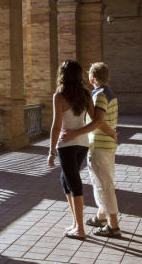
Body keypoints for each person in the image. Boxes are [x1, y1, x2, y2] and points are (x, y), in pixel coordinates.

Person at [62, 62, 121, 238]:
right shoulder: (109, 92)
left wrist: (75, 133)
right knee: (101, 183)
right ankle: (101, 217)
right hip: (106, 144)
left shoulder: (100, 95)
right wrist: (112, 133)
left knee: (104, 185)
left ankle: (114, 225)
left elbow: (98, 121)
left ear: (92, 77)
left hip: (101, 145)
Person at [48, 60, 96, 240]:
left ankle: (81, 229)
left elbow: (56, 126)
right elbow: (94, 121)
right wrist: (79, 131)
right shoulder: (86, 94)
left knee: (74, 184)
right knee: (65, 180)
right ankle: (76, 222)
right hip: (82, 144)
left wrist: (51, 151)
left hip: (66, 146)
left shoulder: (59, 97)